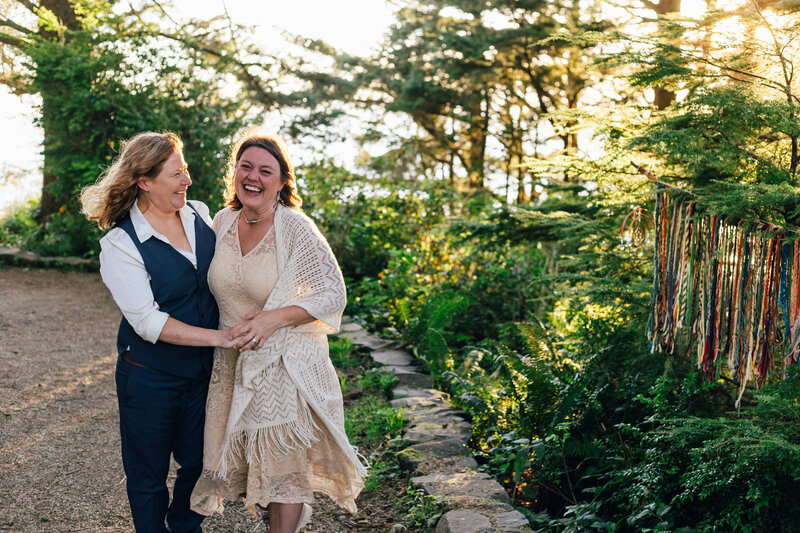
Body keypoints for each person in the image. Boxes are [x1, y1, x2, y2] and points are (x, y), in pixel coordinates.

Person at [190, 130, 367, 533]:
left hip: (281, 363)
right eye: (245, 166)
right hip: (230, 363)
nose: (253, 177)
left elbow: (331, 293)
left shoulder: (295, 228)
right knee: (248, 463)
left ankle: (285, 525)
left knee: (281, 464)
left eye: (265, 171)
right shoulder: (221, 222)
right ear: (234, 172)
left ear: (282, 181)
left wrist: (272, 318)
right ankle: (288, 518)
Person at [81, 132, 244, 533]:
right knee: (148, 476)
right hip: (149, 377)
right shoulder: (121, 244)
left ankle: (184, 527)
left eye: (185, 169)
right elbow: (148, 322)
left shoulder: (201, 214)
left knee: (201, 463)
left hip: (204, 375)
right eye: (176, 174)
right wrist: (219, 338)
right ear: (145, 181)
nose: (187, 180)